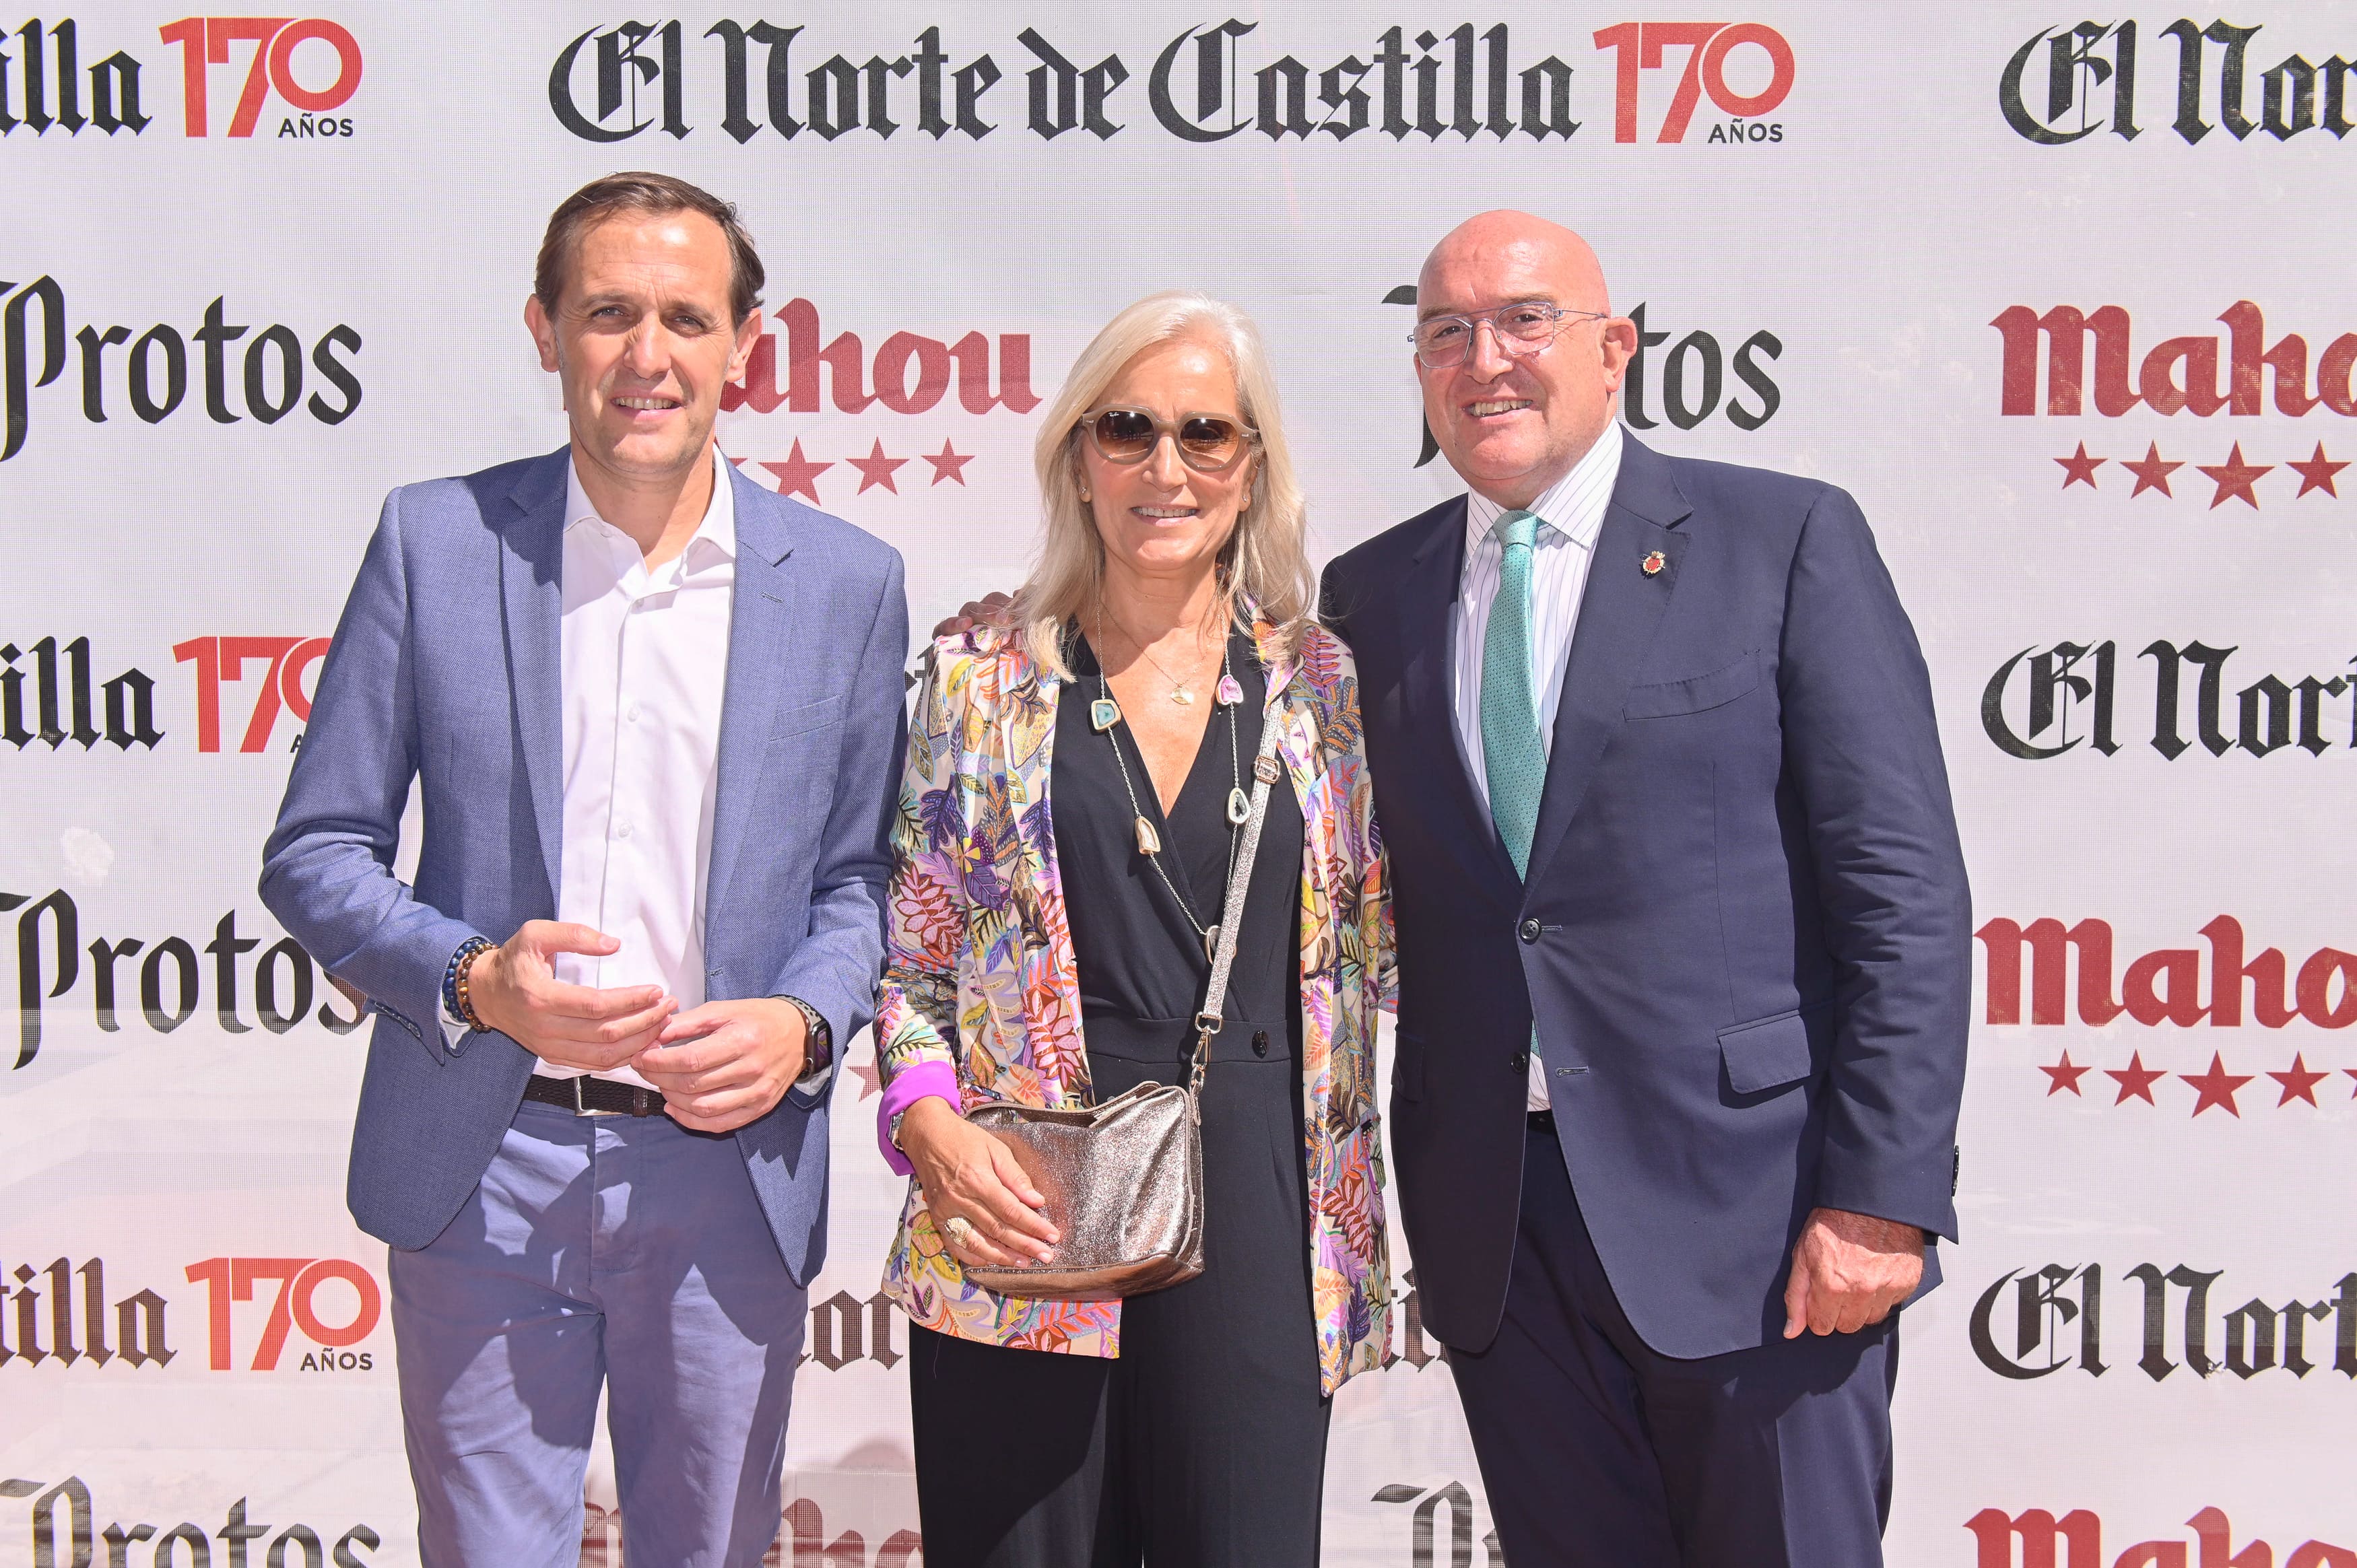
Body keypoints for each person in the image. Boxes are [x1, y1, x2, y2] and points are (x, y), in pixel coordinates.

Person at [259, 172, 908, 1567]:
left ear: (747, 342)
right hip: (483, 1155)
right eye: (608, 312)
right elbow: (317, 849)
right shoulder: (437, 544)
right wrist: (476, 978)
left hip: (725, 1166)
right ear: (545, 330)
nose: (646, 355)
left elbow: (860, 878)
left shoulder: (847, 581)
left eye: (684, 316)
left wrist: (800, 1025)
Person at [1319, 211, 1971, 1565]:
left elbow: (1900, 898)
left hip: (1763, 1222)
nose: (1483, 358)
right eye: (1445, 330)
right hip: (1503, 1228)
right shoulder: (1367, 596)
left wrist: (1880, 1197)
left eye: (1523, 319)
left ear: (1614, 350)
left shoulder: (1780, 540)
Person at [873, 290, 1393, 1567]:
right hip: (1021, 1206)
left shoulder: (1320, 682)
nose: (1167, 466)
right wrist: (926, 1120)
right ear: (1077, 458)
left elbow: (1377, 951)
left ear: (1252, 462)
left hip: (1265, 1212)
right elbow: (911, 954)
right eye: (1128, 429)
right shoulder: (977, 671)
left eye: (1206, 432)